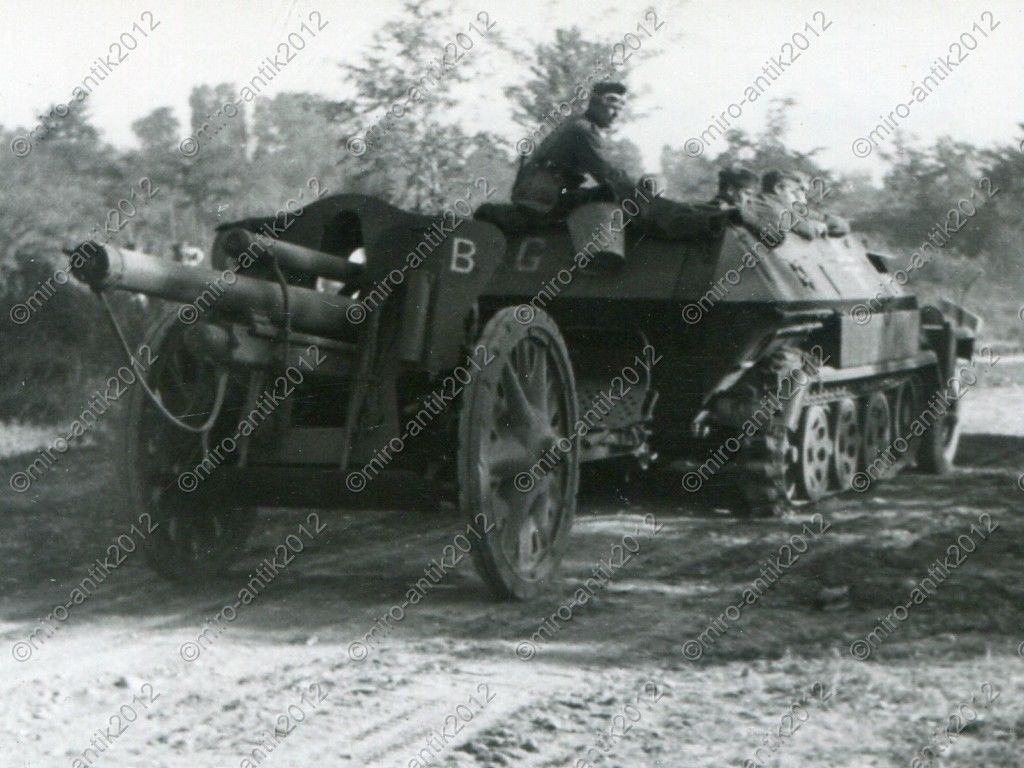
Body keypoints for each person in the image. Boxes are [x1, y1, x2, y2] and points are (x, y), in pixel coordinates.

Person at [511, 82, 637, 216]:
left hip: (538, 192)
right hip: (545, 197)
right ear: (594, 103)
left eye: (620, 109)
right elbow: (606, 174)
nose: (616, 115)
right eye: (611, 107)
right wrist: (637, 193)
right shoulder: (583, 129)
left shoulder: (575, 122)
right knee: (609, 193)